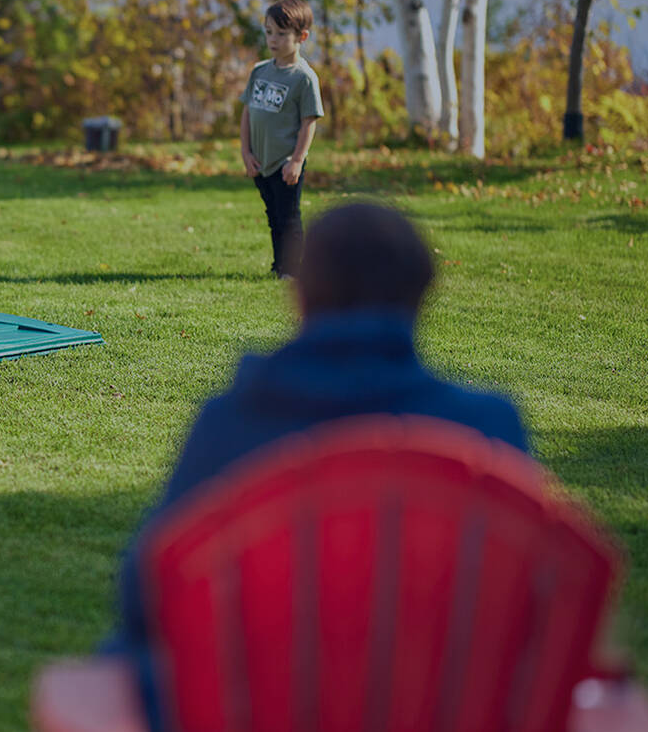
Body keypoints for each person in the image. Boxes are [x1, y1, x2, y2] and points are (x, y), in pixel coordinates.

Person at [102, 203, 530, 730]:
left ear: (299, 294)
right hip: (439, 709)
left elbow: (146, 590)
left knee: (85, 683)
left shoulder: (232, 422)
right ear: (422, 296)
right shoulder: (490, 426)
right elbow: (532, 606)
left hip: (250, 708)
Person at [240, 0, 325, 279]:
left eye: (281, 34)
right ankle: (280, 266)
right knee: (273, 216)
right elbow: (248, 113)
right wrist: (246, 153)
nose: (273, 39)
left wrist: (297, 161)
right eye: (268, 32)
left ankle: (292, 271)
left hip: (286, 163)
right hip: (260, 161)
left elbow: (308, 122)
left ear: (301, 36)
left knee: (288, 218)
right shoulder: (259, 71)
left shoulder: (304, 78)